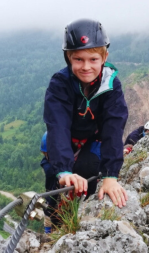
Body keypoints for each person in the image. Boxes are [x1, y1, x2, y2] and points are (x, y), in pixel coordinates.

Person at [44, 19, 128, 209]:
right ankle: (54, 216)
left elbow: (113, 127)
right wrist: (64, 172)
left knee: (87, 170)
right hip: (67, 139)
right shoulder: (60, 84)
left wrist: (110, 175)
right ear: (68, 58)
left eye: (93, 59)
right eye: (78, 59)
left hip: (94, 140)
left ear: (104, 57)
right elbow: (58, 125)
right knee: (56, 179)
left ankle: (78, 215)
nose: (86, 67)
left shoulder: (111, 85)